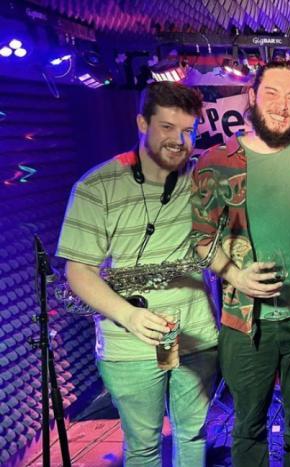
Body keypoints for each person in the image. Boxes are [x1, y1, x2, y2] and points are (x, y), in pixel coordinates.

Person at [191, 60, 290, 466]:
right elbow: (198, 240)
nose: (282, 105)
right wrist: (235, 274)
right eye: (272, 94)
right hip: (246, 325)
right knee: (249, 426)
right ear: (253, 97)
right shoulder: (216, 162)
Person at [58, 81, 218, 466]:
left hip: (197, 336)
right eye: (167, 128)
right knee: (144, 446)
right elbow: (78, 271)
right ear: (142, 123)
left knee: (193, 434)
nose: (179, 141)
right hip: (129, 344)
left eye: (188, 131)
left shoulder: (201, 179)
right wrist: (129, 315)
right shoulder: (97, 187)